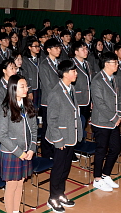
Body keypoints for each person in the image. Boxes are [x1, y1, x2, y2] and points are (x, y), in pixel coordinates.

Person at [0, 74, 37, 213]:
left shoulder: (28, 105)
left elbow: (34, 130)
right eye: (22, 86)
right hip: (12, 152)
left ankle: (15, 210)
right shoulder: (5, 108)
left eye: (26, 86)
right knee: (12, 185)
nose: (26, 89)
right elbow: (2, 136)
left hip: (26, 152)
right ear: (13, 89)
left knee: (20, 184)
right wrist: (19, 153)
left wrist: (32, 148)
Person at [46, 60, 81, 212]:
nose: (76, 73)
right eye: (73, 71)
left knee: (66, 167)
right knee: (58, 168)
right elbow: (51, 120)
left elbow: (74, 112)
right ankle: (52, 198)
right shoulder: (55, 93)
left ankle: (61, 194)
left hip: (70, 135)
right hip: (60, 137)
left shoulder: (71, 88)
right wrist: (58, 140)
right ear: (65, 74)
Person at [90, 52, 121, 192]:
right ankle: (97, 179)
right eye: (115, 62)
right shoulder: (97, 80)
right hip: (102, 121)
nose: (117, 65)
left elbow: (118, 98)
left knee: (115, 148)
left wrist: (119, 114)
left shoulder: (113, 78)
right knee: (101, 150)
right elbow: (99, 103)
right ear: (106, 64)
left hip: (114, 120)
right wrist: (114, 117)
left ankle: (106, 174)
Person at [39, 38, 62, 159]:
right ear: (48, 50)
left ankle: (55, 149)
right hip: (49, 102)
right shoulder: (43, 65)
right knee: (47, 128)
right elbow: (47, 86)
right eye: (56, 48)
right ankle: (46, 153)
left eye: (59, 48)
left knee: (56, 127)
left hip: (60, 101)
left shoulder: (60, 63)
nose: (59, 50)